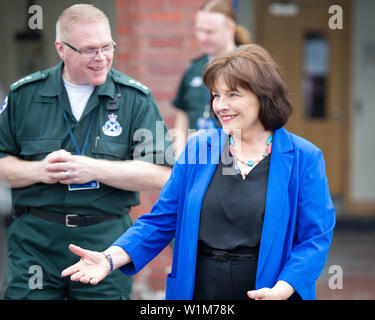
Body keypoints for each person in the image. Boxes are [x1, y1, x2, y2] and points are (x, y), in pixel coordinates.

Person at [61, 44, 335, 300]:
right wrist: (109, 258)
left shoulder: (303, 157)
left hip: (268, 289)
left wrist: (284, 288)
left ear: (263, 95)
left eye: (232, 95)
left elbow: (315, 237)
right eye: (216, 95)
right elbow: (161, 220)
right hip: (198, 288)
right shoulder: (199, 148)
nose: (220, 105)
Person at [0, 4, 174, 300]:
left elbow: (161, 173)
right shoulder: (24, 96)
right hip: (35, 242)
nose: (102, 58)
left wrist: (94, 169)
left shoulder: (135, 98)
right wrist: (39, 171)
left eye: (108, 47)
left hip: (105, 243)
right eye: (90, 49)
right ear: (61, 49)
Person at [172, 0, 251, 157]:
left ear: (230, 29)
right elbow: (182, 113)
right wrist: (180, 156)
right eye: (199, 30)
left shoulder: (249, 66)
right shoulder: (193, 68)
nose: (202, 37)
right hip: (197, 157)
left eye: (210, 32)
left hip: (234, 157)